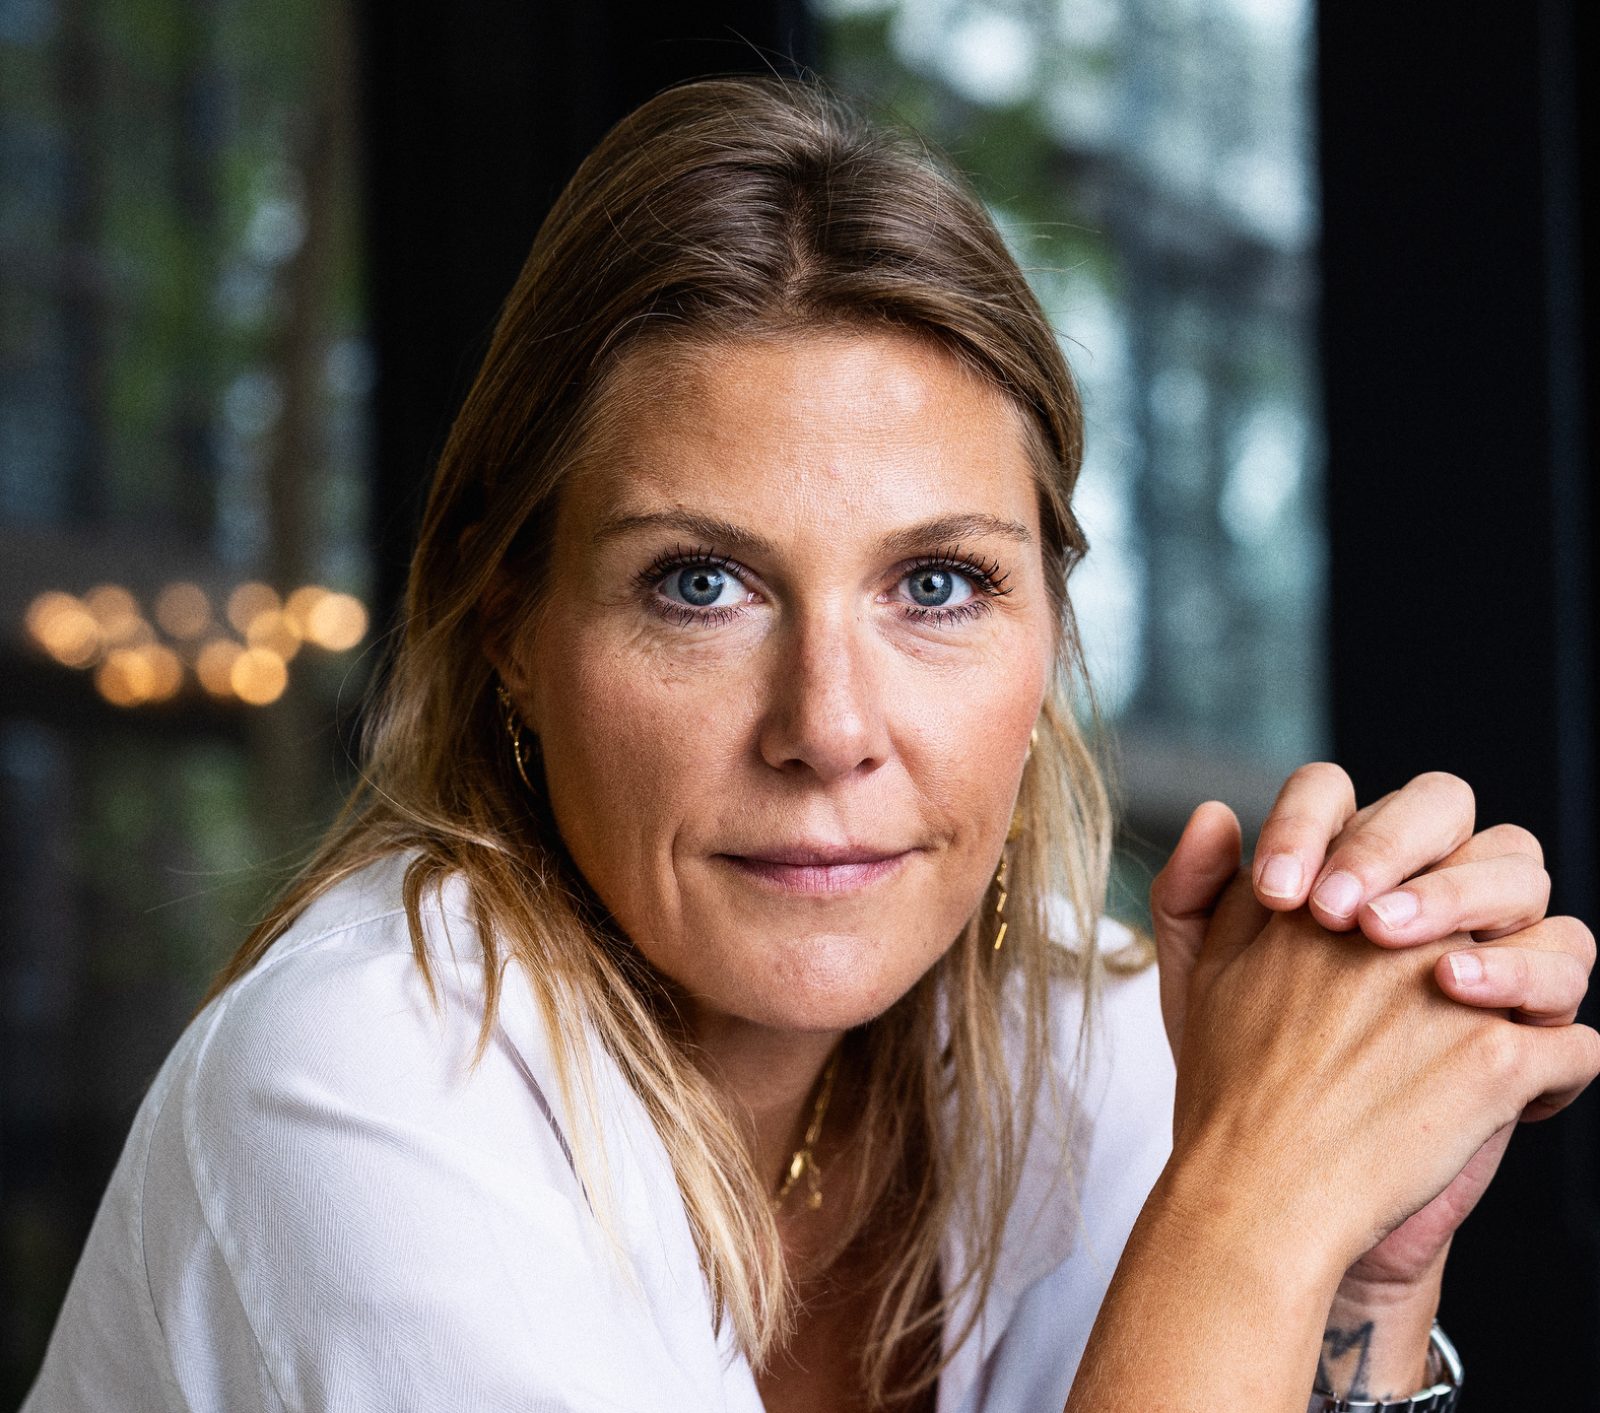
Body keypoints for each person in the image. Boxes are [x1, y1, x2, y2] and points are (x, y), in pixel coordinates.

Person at [22, 74, 1597, 1413]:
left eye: (938, 583)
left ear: (1048, 631)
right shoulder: (364, 1072)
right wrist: (1254, 1203)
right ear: (510, 626)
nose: (828, 728)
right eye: (700, 584)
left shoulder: (1100, 1045)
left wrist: (1360, 1277)